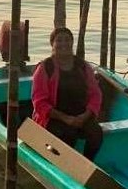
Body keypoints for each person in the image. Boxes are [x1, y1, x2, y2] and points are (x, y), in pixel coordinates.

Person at [31, 27, 104, 160]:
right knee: (67, 134)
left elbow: (95, 94)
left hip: (80, 115)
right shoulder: (45, 68)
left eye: (67, 40)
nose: (63, 44)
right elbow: (39, 103)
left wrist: (85, 116)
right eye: (59, 40)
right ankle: (63, 166)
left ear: (72, 42)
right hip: (54, 117)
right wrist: (66, 119)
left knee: (96, 134)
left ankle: (88, 163)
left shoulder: (83, 66)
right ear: (52, 44)